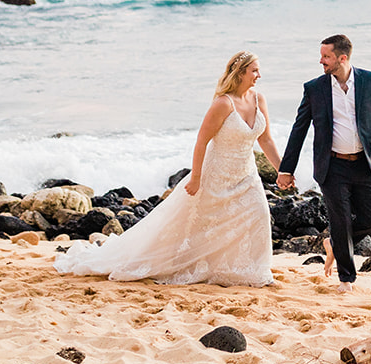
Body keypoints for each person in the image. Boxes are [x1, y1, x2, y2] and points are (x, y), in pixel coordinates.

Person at [55, 51, 281, 286]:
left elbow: (266, 140)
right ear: (240, 72)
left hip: (247, 174)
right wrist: (195, 178)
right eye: (254, 70)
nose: (259, 75)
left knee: (259, 216)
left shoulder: (258, 100)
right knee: (197, 225)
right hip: (216, 174)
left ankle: (256, 272)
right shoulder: (223, 104)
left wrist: (282, 171)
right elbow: (202, 142)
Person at [276, 34, 371, 292]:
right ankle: (347, 280)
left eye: (326, 56)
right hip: (331, 166)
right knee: (340, 221)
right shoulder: (314, 88)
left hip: (363, 164)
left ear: (342, 58)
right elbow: (298, 129)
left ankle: (335, 244)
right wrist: (286, 169)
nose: (320, 61)